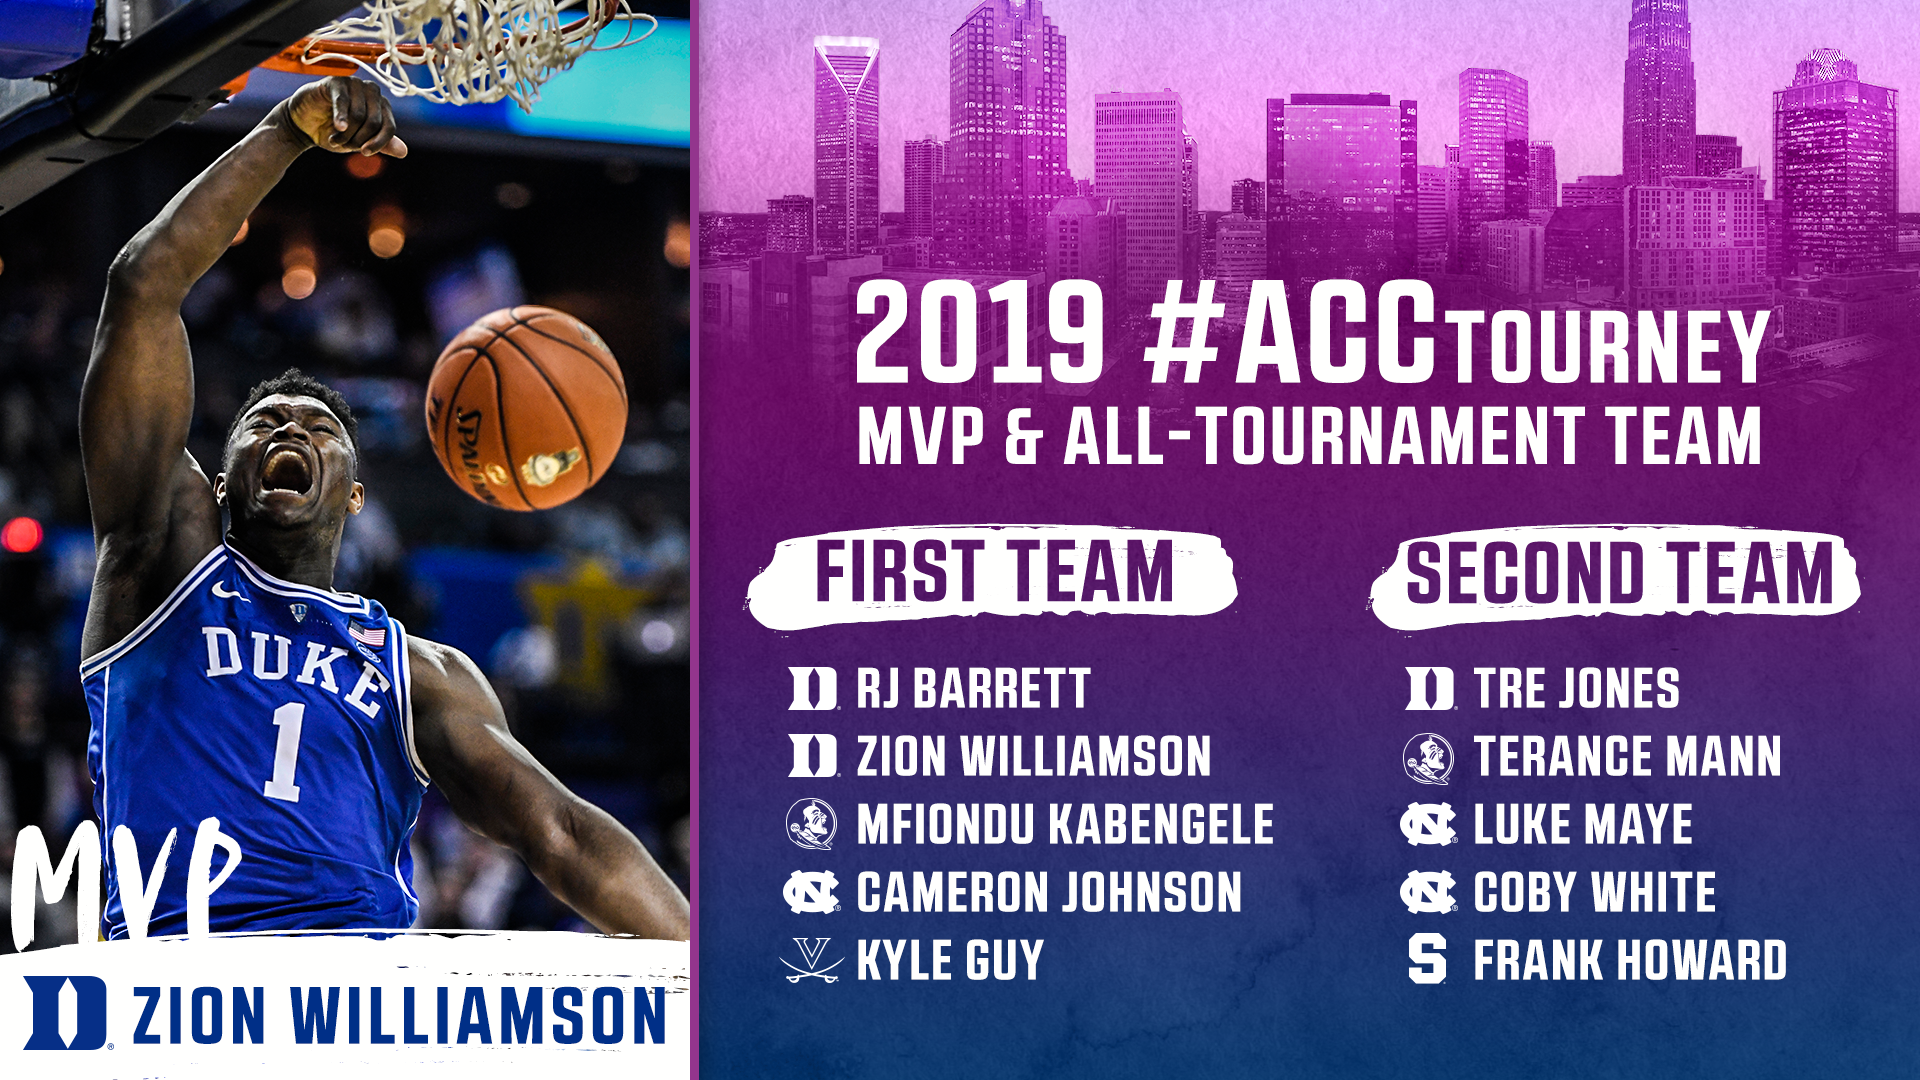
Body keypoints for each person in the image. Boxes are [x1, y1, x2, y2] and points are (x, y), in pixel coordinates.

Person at [78, 77, 688, 940]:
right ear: (219, 484)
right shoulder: (161, 565)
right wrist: (287, 132)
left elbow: (560, 832)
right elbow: (143, 285)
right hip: (185, 991)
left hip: (358, 1004)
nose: (288, 428)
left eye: (319, 428)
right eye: (262, 425)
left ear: (355, 493)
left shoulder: (420, 672)